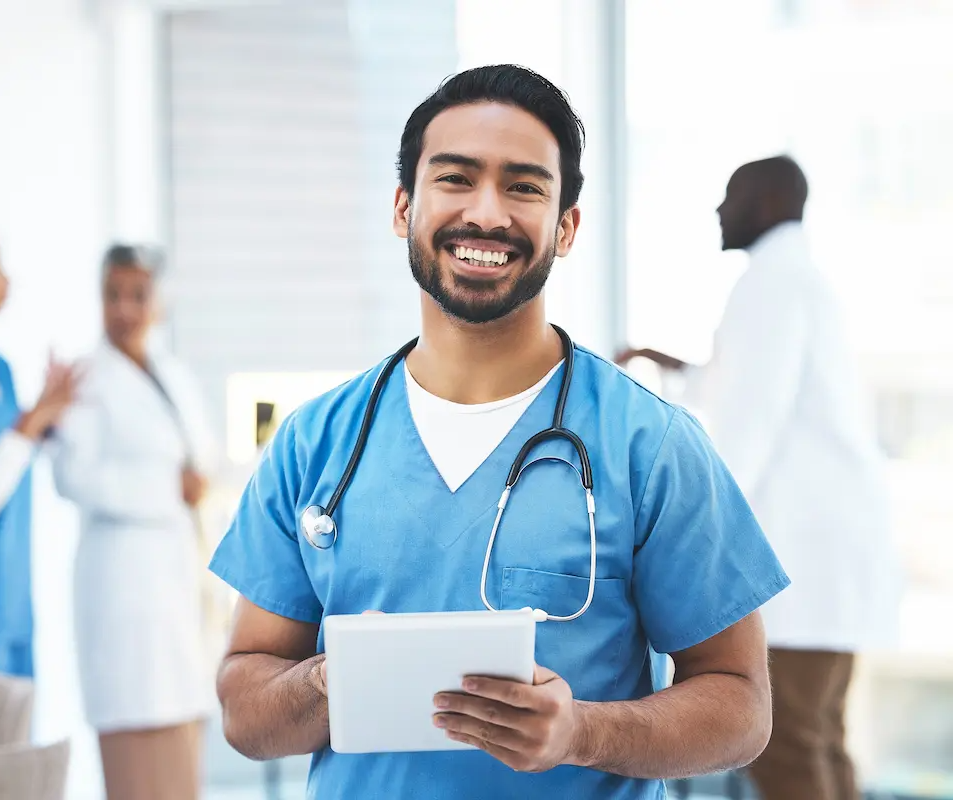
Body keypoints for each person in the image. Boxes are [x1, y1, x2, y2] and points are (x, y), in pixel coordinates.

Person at [209, 65, 791, 800]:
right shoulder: (314, 443)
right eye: (454, 178)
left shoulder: (650, 445)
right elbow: (245, 711)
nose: (486, 213)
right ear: (402, 208)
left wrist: (580, 731)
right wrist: (331, 682)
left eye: (523, 187)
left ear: (566, 226)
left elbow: (741, 706)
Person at [616, 156, 895, 800]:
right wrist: (673, 365)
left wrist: (681, 538)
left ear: (768, 200)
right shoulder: (797, 280)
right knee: (818, 735)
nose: (719, 210)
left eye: (730, 196)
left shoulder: (770, 284)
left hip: (803, 555)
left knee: (787, 743)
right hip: (831, 556)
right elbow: (750, 390)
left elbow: (746, 430)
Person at [52, 244, 217, 800]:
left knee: (182, 746)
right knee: (137, 749)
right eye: (112, 295)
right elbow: (73, 475)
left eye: (137, 295)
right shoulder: (85, 379)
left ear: (160, 302)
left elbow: (202, 462)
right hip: (124, 590)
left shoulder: (172, 374)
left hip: (174, 584)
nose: (124, 308)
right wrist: (167, 490)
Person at [0, 253, 78, 679]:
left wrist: (48, 420)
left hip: (12, 603)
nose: (7, 277)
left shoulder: (4, 371)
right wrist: (33, 423)